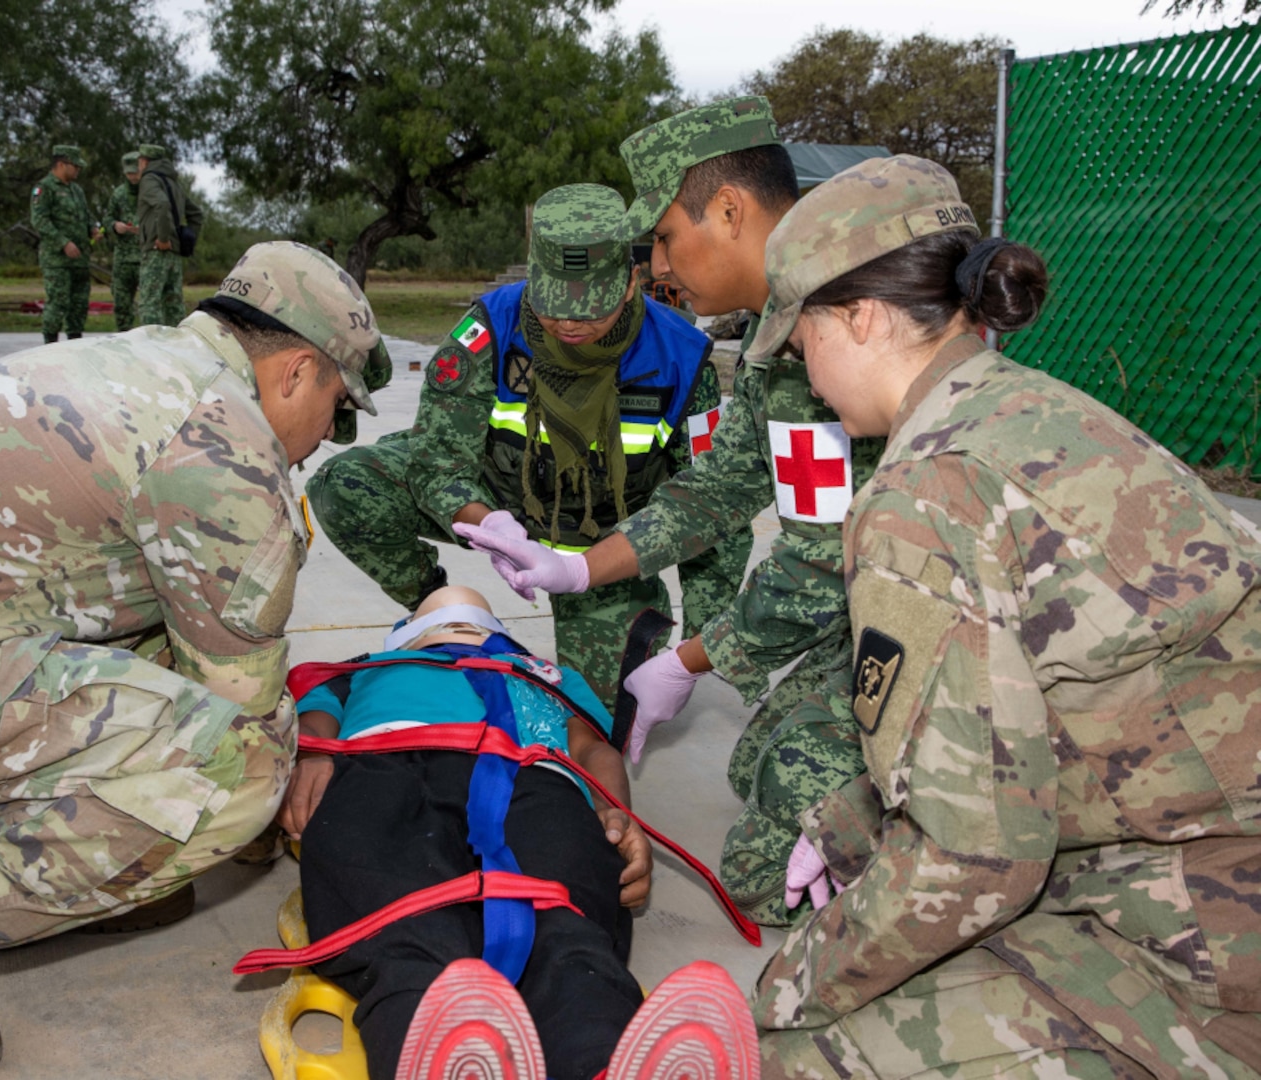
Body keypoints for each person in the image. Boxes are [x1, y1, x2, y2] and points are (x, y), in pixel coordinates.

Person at [0, 241, 390, 1080]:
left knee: (166, 659)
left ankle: (86, 869)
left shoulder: (139, 361)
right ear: (297, 372)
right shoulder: (221, 451)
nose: (322, 440)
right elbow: (241, 707)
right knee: (238, 771)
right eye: (336, 409)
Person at [746, 154, 1261, 1076]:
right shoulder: (1032, 410)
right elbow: (1038, 709)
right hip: (1192, 841)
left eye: (800, 343)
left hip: (1211, 937)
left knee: (800, 1052)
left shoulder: (923, 495)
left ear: (858, 317)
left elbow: (975, 860)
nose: (805, 374)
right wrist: (852, 824)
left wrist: (782, 994)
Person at [458, 99, 883, 923]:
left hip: (930, 626)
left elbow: (816, 565)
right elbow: (719, 487)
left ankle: (935, 831)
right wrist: (583, 566)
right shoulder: (773, 328)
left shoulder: (827, 330)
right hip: (872, 604)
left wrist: (689, 659)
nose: (653, 263)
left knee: (764, 883)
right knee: (754, 770)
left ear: (727, 211)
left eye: (659, 236)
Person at [271, 584, 759, 1080]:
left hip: (534, 778)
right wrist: (313, 755)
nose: (463, 632)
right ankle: (434, 1033)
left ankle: (600, 1055)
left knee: (567, 920)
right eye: (438, 624)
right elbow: (314, 722)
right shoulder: (358, 670)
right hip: (384, 766)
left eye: (478, 624)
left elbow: (593, 750)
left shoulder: (553, 676)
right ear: (402, 641)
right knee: (398, 920)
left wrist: (613, 811)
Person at [306, 182, 751, 711]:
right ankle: (438, 607)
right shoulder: (491, 327)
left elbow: (713, 511)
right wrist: (490, 525)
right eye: (553, 304)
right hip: (502, 501)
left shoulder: (681, 358)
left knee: (596, 717)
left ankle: (631, 628)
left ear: (630, 284)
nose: (567, 323)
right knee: (346, 484)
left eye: (588, 309)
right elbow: (435, 460)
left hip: (607, 542)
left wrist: (696, 653)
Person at [29, 143, 100, 344]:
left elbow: (86, 215)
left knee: (78, 305)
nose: (77, 170)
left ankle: (74, 343)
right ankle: (50, 344)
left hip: (80, 260)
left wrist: (93, 228)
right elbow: (40, 220)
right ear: (61, 164)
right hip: (57, 260)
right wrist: (63, 243)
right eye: (74, 166)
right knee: (58, 303)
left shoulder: (76, 190)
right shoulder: (45, 188)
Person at [135, 141, 204, 328]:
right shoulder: (173, 183)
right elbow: (196, 214)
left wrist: (163, 238)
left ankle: (151, 347)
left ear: (144, 161)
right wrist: (186, 240)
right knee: (174, 304)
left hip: (157, 250)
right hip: (174, 254)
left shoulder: (149, 180)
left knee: (150, 302)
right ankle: (177, 348)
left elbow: (162, 205)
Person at [105, 150, 143, 332]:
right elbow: (107, 218)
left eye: (135, 172)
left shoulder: (151, 193)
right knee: (121, 303)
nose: (132, 177)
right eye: (129, 173)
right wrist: (115, 226)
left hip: (145, 257)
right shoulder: (118, 194)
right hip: (123, 259)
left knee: (148, 306)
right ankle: (123, 335)